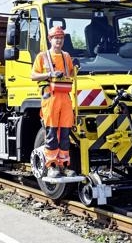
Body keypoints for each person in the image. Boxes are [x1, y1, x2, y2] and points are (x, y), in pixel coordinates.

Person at [31, 25, 76, 178]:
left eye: (61, 38)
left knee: (65, 133)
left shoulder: (67, 56)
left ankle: (63, 166)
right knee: (51, 133)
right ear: (50, 39)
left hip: (65, 98)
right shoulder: (42, 56)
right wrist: (50, 74)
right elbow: (33, 75)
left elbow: (70, 74)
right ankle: (51, 166)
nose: (59, 40)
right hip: (50, 98)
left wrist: (74, 71)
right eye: (56, 38)